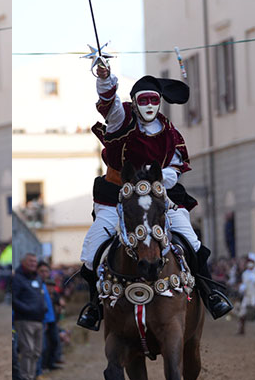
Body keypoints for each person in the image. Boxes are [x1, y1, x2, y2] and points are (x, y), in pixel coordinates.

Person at [75, 59, 232, 331]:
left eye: (153, 100)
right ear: (134, 102)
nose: (149, 105)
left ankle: (210, 295)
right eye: (143, 100)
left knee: (193, 243)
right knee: (92, 251)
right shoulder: (121, 119)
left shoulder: (170, 132)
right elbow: (108, 105)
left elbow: (175, 167)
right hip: (117, 199)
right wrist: (104, 77)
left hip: (160, 200)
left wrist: (158, 177)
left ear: (160, 102)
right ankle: (94, 307)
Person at [10, 253, 47, 380]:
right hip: (25, 320)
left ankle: (31, 378)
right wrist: (28, 309)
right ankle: (26, 379)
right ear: (23, 262)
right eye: (30, 261)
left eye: (35, 261)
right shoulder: (17, 278)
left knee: (37, 351)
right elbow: (14, 299)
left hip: (38, 320)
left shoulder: (37, 277)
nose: (33, 263)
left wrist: (43, 309)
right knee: (28, 350)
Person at [237, 256, 255, 335]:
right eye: (248, 263)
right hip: (247, 295)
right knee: (242, 311)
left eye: (251, 263)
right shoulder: (245, 274)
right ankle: (241, 329)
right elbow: (244, 284)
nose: (249, 265)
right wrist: (242, 288)